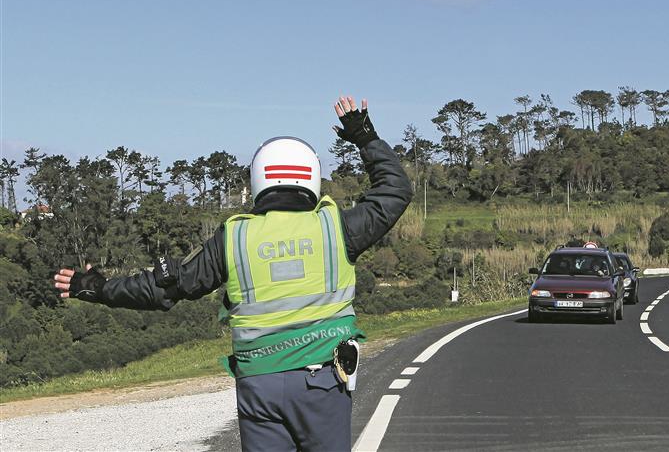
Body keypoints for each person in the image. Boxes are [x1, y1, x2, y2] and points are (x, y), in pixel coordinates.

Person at [53, 95, 413, 452]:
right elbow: (394, 191)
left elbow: (166, 286)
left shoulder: (235, 238)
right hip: (320, 382)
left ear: (259, 179)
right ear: (312, 177)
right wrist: (365, 138)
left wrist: (98, 287)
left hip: (259, 386)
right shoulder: (336, 228)